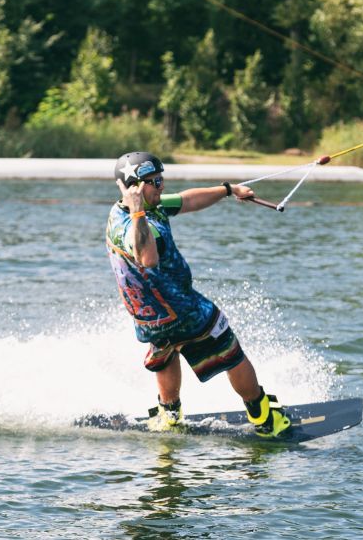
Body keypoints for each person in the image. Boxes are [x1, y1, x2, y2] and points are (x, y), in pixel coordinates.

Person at [105, 152, 291, 438]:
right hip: (185, 311)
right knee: (231, 352)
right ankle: (264, 417)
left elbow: (187, 200)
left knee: (165, 354)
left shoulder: (127, 210)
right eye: (155, 181)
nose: (162, 185)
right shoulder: (137, 225)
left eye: (161, 178)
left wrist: (229, 190)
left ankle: (169, 415)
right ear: (136, 187)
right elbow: (147, 257)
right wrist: (139, 212)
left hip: (149, 316)